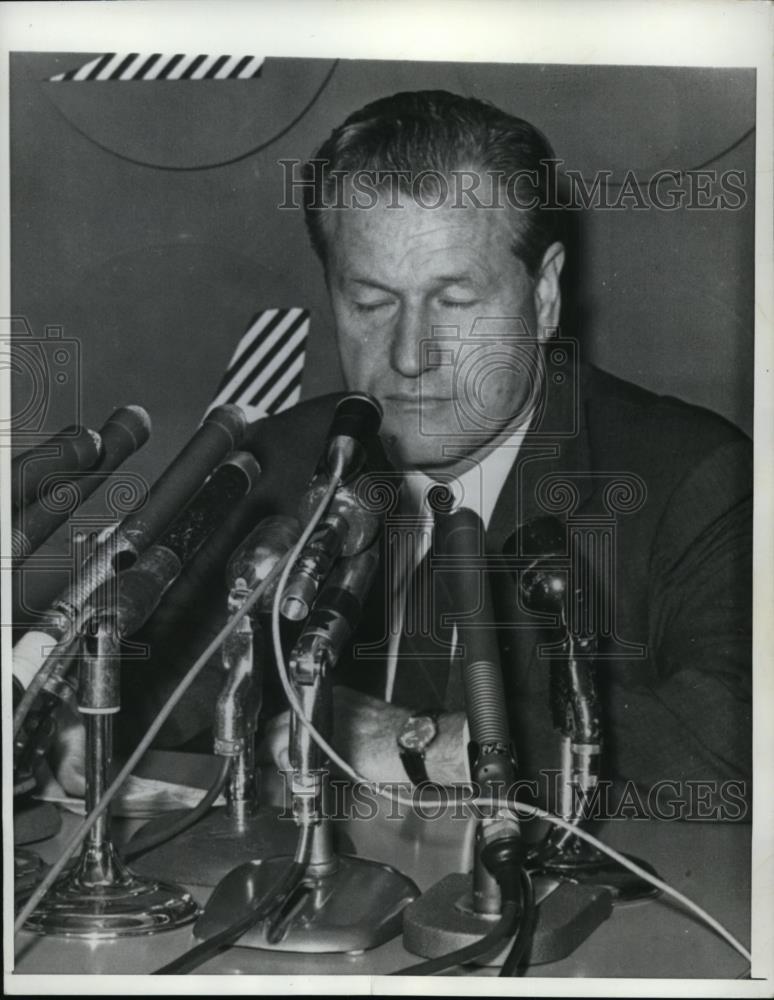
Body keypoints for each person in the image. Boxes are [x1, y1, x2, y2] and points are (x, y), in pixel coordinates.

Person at [48, 90, 753, 818]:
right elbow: (149, 694)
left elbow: (743, 741)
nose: (411, 356)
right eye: (372, 302)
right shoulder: (278, 464)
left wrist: (429, 746)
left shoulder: (694, 479)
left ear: (543, 296)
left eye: (454, 300)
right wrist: (79, 720)